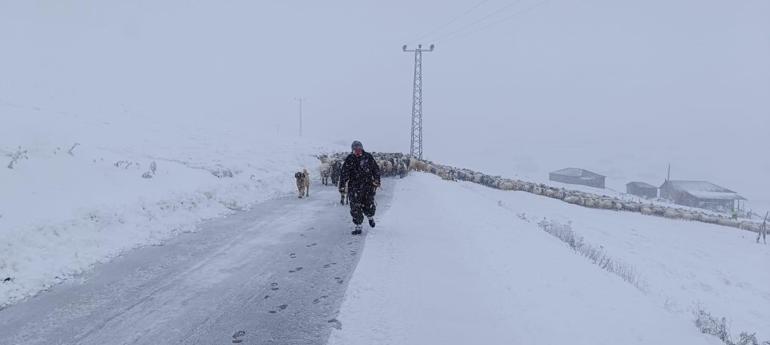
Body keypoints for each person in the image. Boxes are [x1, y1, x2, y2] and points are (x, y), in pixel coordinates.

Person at [339, 140, 380, 235]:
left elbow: (375, 169)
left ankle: (370, 217)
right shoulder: (350, 158)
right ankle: (358, 226)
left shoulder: (368, 157)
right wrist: (342, 185)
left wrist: (377, 180)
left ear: (362, 148)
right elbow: (344, 172)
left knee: (368, 204)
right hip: (354, 187)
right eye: (355, 149)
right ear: (352, 149)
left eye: (359, 148)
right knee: (355, 207)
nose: (357, 150)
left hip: (368, 186)